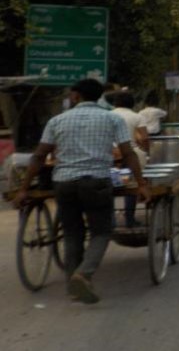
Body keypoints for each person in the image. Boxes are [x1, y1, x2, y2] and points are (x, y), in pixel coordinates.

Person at [13, 79, 151, 305]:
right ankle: (83, 274)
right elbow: (128, 153)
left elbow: (39, 156)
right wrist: (141, 184)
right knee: (102, 231)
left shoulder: (57, 120)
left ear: (75, 96)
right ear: (98, 97)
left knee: (72, 233)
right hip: (97, 181)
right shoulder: (111, 119)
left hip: (63, 183)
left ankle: (73, 285)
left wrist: (24, 188)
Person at [107, 91, 149, 227]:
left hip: (109, 153)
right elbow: (144, 138)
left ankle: (111, 221)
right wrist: (147, 151)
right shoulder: (137, 117)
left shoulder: (107, 115)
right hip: (131, 152)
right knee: (132, 185)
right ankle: (129, 219)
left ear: (115, 103)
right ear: (132, 104)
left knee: (109, 185)